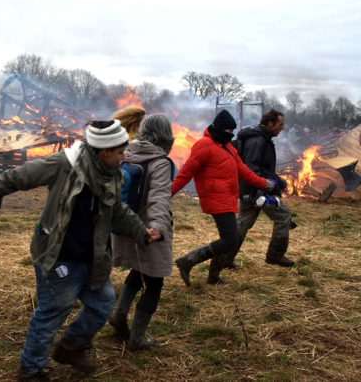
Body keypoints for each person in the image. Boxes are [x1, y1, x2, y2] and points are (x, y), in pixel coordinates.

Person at [0, 120, 162, 381]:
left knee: (103, 303)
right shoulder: (65, 163)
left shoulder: (111, 173)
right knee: (53, 311)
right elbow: (24, 174)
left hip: (93, 255)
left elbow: (116, 210)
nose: (125, 156)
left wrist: (141, 231)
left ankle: (70, 347)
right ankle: (31, 369)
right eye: (121, 151)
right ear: (105, 152)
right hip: (59, 254)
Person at [172, 110, 274, 286]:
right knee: (230, 239)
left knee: (228, 239)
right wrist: (168, 193)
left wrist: (264, 183)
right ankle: (188, 261)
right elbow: (186, 172)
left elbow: (244, 171)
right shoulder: (203, 145)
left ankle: (213, 277)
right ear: (219, 129)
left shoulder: (228, 147)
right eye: (228, 131)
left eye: (233, 131)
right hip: (214, 197)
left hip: (227, 197)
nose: (231, 135)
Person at [108, 114, 175, 351]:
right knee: (154, 281)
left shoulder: (124, 153)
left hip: (122, 226)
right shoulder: (160, 162)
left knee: (138, 270)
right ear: (166, 134)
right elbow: (159, 198)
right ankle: (136, 339)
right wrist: (157, 226)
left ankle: (119, 314)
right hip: (147, 230)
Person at [224, 109, 295, 269]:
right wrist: (263, 188)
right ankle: (275, 255)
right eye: (280, 124)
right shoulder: (257, 141)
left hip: (251, 189)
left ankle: (224, 259)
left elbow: (265, 169)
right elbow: (251, 167)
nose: (282, 128)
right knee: (283, 215)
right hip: (258, 191)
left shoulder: (263, 139)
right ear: (270, 124)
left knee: (243, 223)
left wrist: (279, 182)